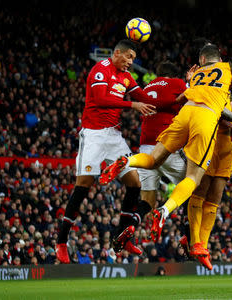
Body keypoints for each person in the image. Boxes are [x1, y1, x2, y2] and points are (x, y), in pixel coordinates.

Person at [100, 44, 232, 257]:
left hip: (153, 140)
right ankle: (180, 227)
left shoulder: (156, 86)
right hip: (198, 124)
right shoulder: (203, 76)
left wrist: (191, 81)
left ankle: (126, 163)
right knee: (195, 183)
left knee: (149, 187)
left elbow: (176, 100)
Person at [56, 39, 158, 264]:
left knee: (135, 183)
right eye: (128, 57)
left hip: (113, 136)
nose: (131, 62)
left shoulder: (126, 76)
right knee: (84, 184)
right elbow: (101, 100)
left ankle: (121, 237)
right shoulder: (101, 69)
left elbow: (142, 96)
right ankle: (61, 241)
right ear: (117, 53)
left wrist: (171, 94)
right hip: (93, 134)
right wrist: (132, 106)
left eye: (133, 58)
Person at [180, 99, 232, 270]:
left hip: (225, 150)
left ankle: (202, 247)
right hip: (208, 144)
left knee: (214, 199)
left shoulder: (229, 96)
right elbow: (217, 113)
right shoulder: (210, 92)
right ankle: (194, 242)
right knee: (200, 194)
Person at [136, 61, 192, 232]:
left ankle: (131, 224)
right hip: (166, 145)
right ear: (174, 75)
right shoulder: (176, 83)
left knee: (147, 201)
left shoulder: (146, 88)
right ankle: (187, 234)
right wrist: (190, 81)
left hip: (145, 147)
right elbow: (195, 96)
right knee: (192, 184)